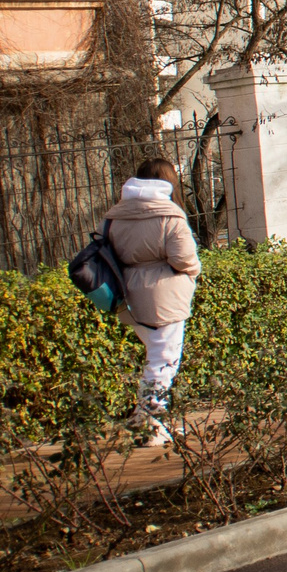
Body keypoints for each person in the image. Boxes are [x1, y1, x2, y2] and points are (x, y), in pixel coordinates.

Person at [105, 158, 201, 446]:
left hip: (129, 293)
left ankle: (144, 418)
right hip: (164, 295)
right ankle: (150, 426)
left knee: (155, 356)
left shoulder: (116, 214)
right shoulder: (170, 214)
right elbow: (184, 259)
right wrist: (193, 272)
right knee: (164, 361)